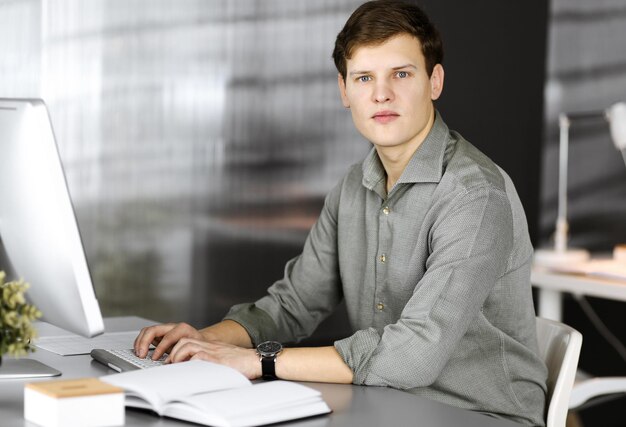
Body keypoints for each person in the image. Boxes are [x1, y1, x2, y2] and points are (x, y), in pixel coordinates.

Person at [134, 1, 548, 425]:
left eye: (401, 74)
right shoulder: (354, 186)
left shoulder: (474, 195)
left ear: (434, 81)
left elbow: (413, 355)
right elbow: (294, 304)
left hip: (482, 415)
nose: (381, 94)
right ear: (344, 91)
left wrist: (257, 360)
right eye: (364, 77)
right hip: (387, 403)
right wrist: (205, 340)